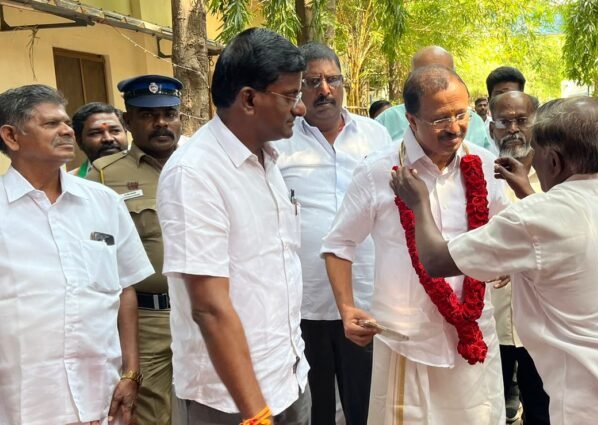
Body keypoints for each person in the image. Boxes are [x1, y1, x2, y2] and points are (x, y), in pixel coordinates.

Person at [389, 96, 598, 425]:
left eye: (534, 154)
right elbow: (572, 226)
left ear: (553, 160)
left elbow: (437, 260)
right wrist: (528, 192)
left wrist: (419, 203)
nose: (532, 163)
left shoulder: (536, 217)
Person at [322, 65, 510, 424]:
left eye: (461, 114)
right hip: (406, 340)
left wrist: (504, 262)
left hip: (471, 337)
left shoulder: (485, 165)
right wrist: (346, 308)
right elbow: (338, 245)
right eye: (440, 119)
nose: (454, 127)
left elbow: (503, 230)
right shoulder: (379, 171)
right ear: (410, 119)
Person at [157, 27, 311, 424]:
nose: (300, 108)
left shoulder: (267, 160)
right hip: (231, 402)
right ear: (248, 99)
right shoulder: (195, 173)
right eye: (291, 95)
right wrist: (256, 414)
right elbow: (209, 308)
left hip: (289, 377)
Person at [0, 84, 152, 424]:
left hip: (100, 399)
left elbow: (124, 290)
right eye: (51, 124)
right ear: (11, 136)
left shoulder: (104, 202)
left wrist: (131, 373)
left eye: (65, 122)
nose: (66, 131)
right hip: (15, 402)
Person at [274, 42, 393, 425]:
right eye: (312, 82)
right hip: (305, 302)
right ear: (298, 88)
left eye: (333, 79)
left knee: (368, 406)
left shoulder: (375, 136)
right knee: (317, 410)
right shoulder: (279, 142)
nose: (324, 90)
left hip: (366, 295)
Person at [86, 74, 184, 425]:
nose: (161, 123)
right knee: (151, 413)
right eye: (147, 115)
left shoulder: (202, 164)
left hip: (204, 308)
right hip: (147, 319)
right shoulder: (103, 176)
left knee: (216, 405)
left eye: (169, 114)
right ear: (128, 121)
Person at [486, 90, 551, 425]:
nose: (513, 129)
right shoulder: (478, 173)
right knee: (487, 405)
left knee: (541, 407)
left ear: (535, 124)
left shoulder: (554, 174)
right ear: (491, 127)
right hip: (489, 315)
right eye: (504, 121)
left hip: (541, 318)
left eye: (522, 120)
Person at [375, 46, 492, 150]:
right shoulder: (386, 121)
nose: (454, 129)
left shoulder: (475, 122)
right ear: (412, 121)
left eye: (444, 74)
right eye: (439, 120)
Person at [71, 102, 128, 177]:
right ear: (79, 141)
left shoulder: (143, 172)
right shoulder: (70, 181)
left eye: (115, 131)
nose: (108, 139)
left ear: (125, 133)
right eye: (95, 133)